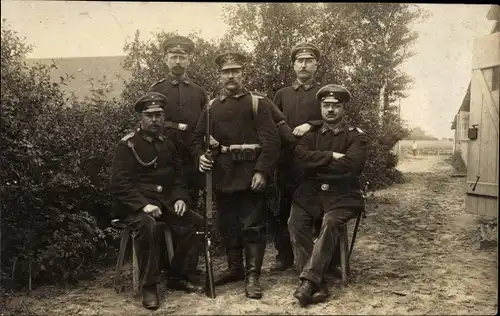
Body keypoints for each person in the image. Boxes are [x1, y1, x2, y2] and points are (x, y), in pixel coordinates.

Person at [191, 52, 281, 299]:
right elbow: (197, 138)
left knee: (252, 227)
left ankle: (253, 277)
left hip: (250, 175)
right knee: (227, 226)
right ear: (220, 75)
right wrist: (200, 155)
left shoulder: (257, 103)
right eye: (226, 72)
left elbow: (271, 141)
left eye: (235, 71)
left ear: (243, 73)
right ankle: (235, 269)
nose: (230, 76)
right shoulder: (211, 107)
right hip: (222, 176)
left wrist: (262, 170)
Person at [109, 92, 203, 310]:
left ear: (163, 117)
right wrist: (143, 204)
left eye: (158, 115)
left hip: (164, 201)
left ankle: (178, 275)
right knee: (147, 225)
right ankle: (149, 286)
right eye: (149, 115)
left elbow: (179, 177)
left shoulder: (168, 145)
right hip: (134, 206)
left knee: (195, 222)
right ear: (140, 118)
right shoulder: (128, 145)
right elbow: (118, 183)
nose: (154, 119)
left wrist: (180, 198)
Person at [288, 84, 370, 306]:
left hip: (343, 194)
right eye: (326, 106)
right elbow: (300, 158)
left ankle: (308, 282)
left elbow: (352, 165)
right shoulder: (311, 134)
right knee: (296, 221)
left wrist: (318, 164)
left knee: (331, 221)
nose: (330, 110)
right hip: (312, 194)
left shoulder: (356, 136)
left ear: (344, 108)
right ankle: (316, 281)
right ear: (321, 107)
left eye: (335, 106)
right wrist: (332, 156)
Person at [147, 35, 209, 279]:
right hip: (162, 161)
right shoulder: (156, 90)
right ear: (165, 59)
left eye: (182, 56)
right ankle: (164, 263)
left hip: (191, 160)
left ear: (189, 59)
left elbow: (205, 125)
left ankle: (188, 268)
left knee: (189, 209)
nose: (178, 61)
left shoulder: (199, 92)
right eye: (173, 56)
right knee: (162, 207)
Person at [270, 42, 325, 272]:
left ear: (316, 65)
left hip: (314, 163)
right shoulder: (282, 94)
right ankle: (284, 255)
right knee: (282, 208)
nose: (303, 64)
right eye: (299, 61)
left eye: (308, 60)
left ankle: (320, 256)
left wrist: (310, 125)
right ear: (293, 65)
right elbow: (272, 122)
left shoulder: (323, 93)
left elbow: (333, 120)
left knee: (318, 209)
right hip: (286, 162)